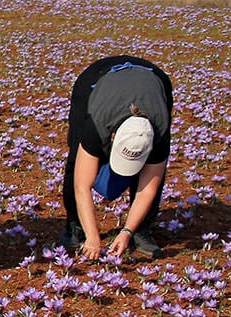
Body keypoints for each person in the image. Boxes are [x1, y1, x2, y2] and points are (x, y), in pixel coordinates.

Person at [61, 56, 172, 260]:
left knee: (153, 174)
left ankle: (141, 230)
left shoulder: (159, 130)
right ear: (112, 137)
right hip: (97, 80)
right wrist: (93, 237)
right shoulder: (97, 123)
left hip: (152, 81)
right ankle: (75, 226)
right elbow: (81, 186)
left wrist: (126, 231)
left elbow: (148, 188)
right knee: (77, 160)